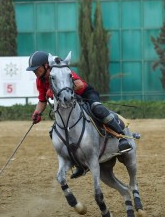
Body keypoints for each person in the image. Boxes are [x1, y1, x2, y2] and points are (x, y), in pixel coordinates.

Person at [26, 50, 132, 179]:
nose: (34, 72)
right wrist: (37, 113)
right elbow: (42, 100)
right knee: (56, 131)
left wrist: (55, 92)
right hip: (69, 105)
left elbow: (79, 84)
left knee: (98, 109)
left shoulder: (61, 70)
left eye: (36, 69)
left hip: (85, 94)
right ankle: (79, 165)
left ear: (45, 65)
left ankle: (122, 138)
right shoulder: (40, 80)